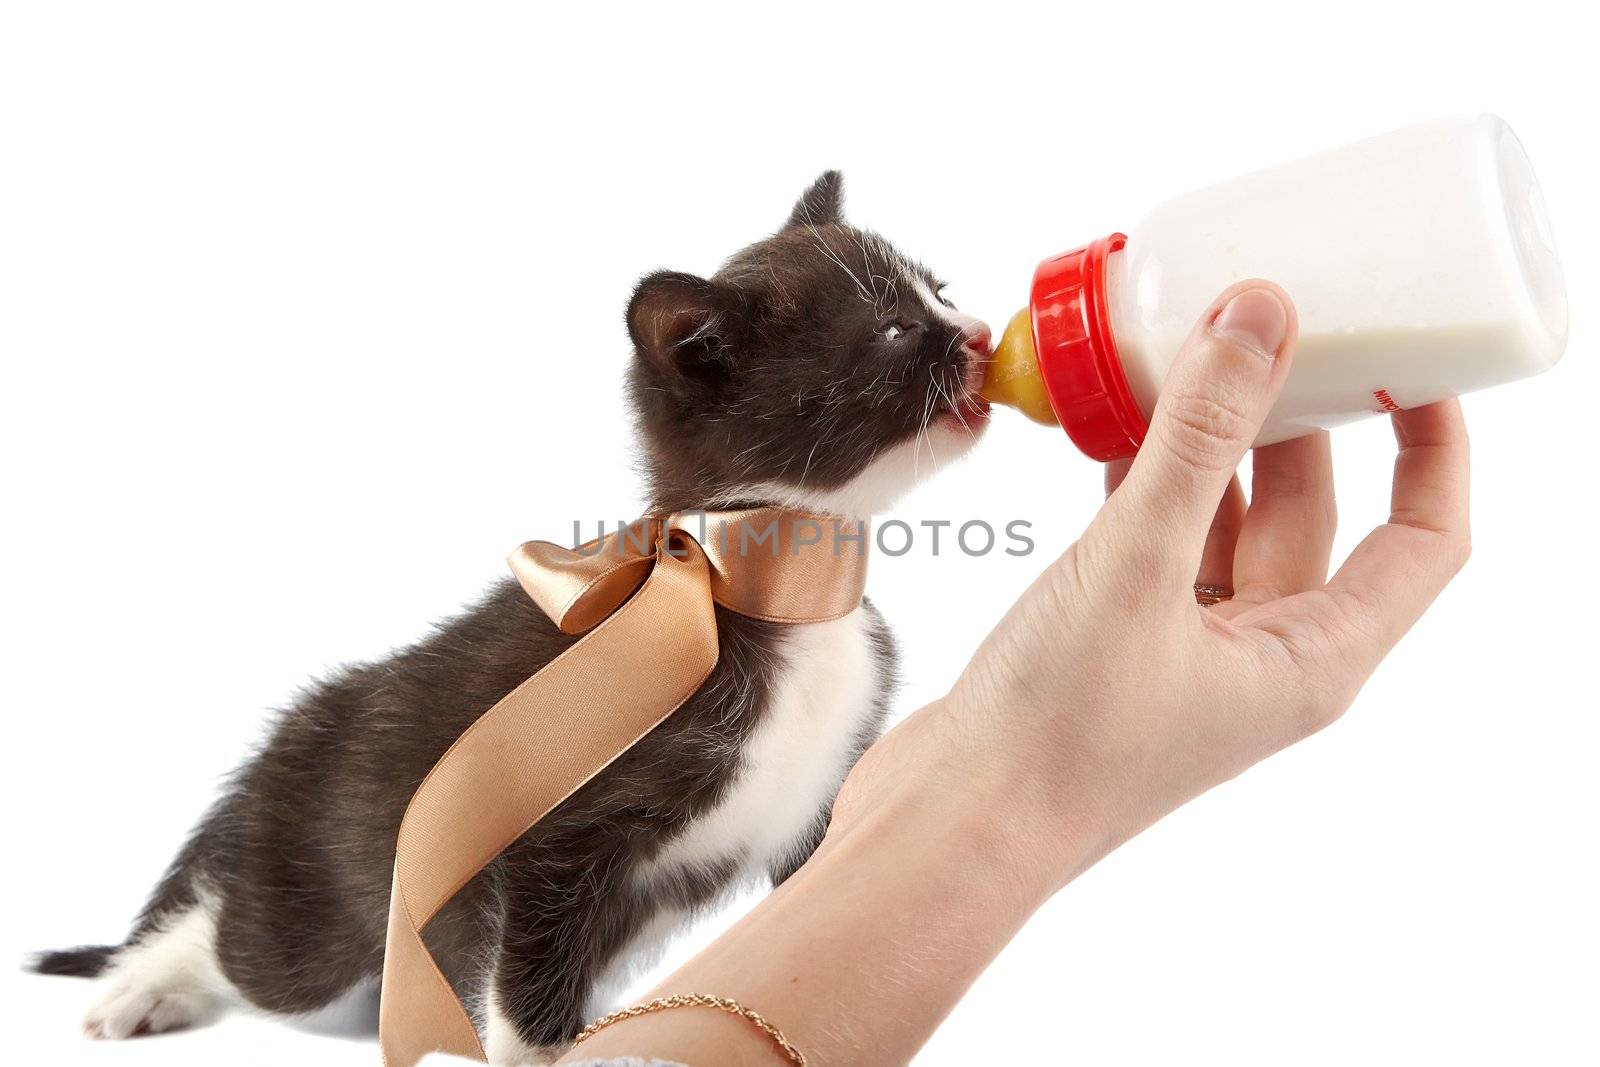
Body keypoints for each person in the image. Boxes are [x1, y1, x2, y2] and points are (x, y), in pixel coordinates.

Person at [553, 281, 1472, 1066]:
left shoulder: (838, 630)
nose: (977, 331)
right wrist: (1024, 787)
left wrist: (977, 793)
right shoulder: (643, 654)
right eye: (894, 328)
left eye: (936, 293)